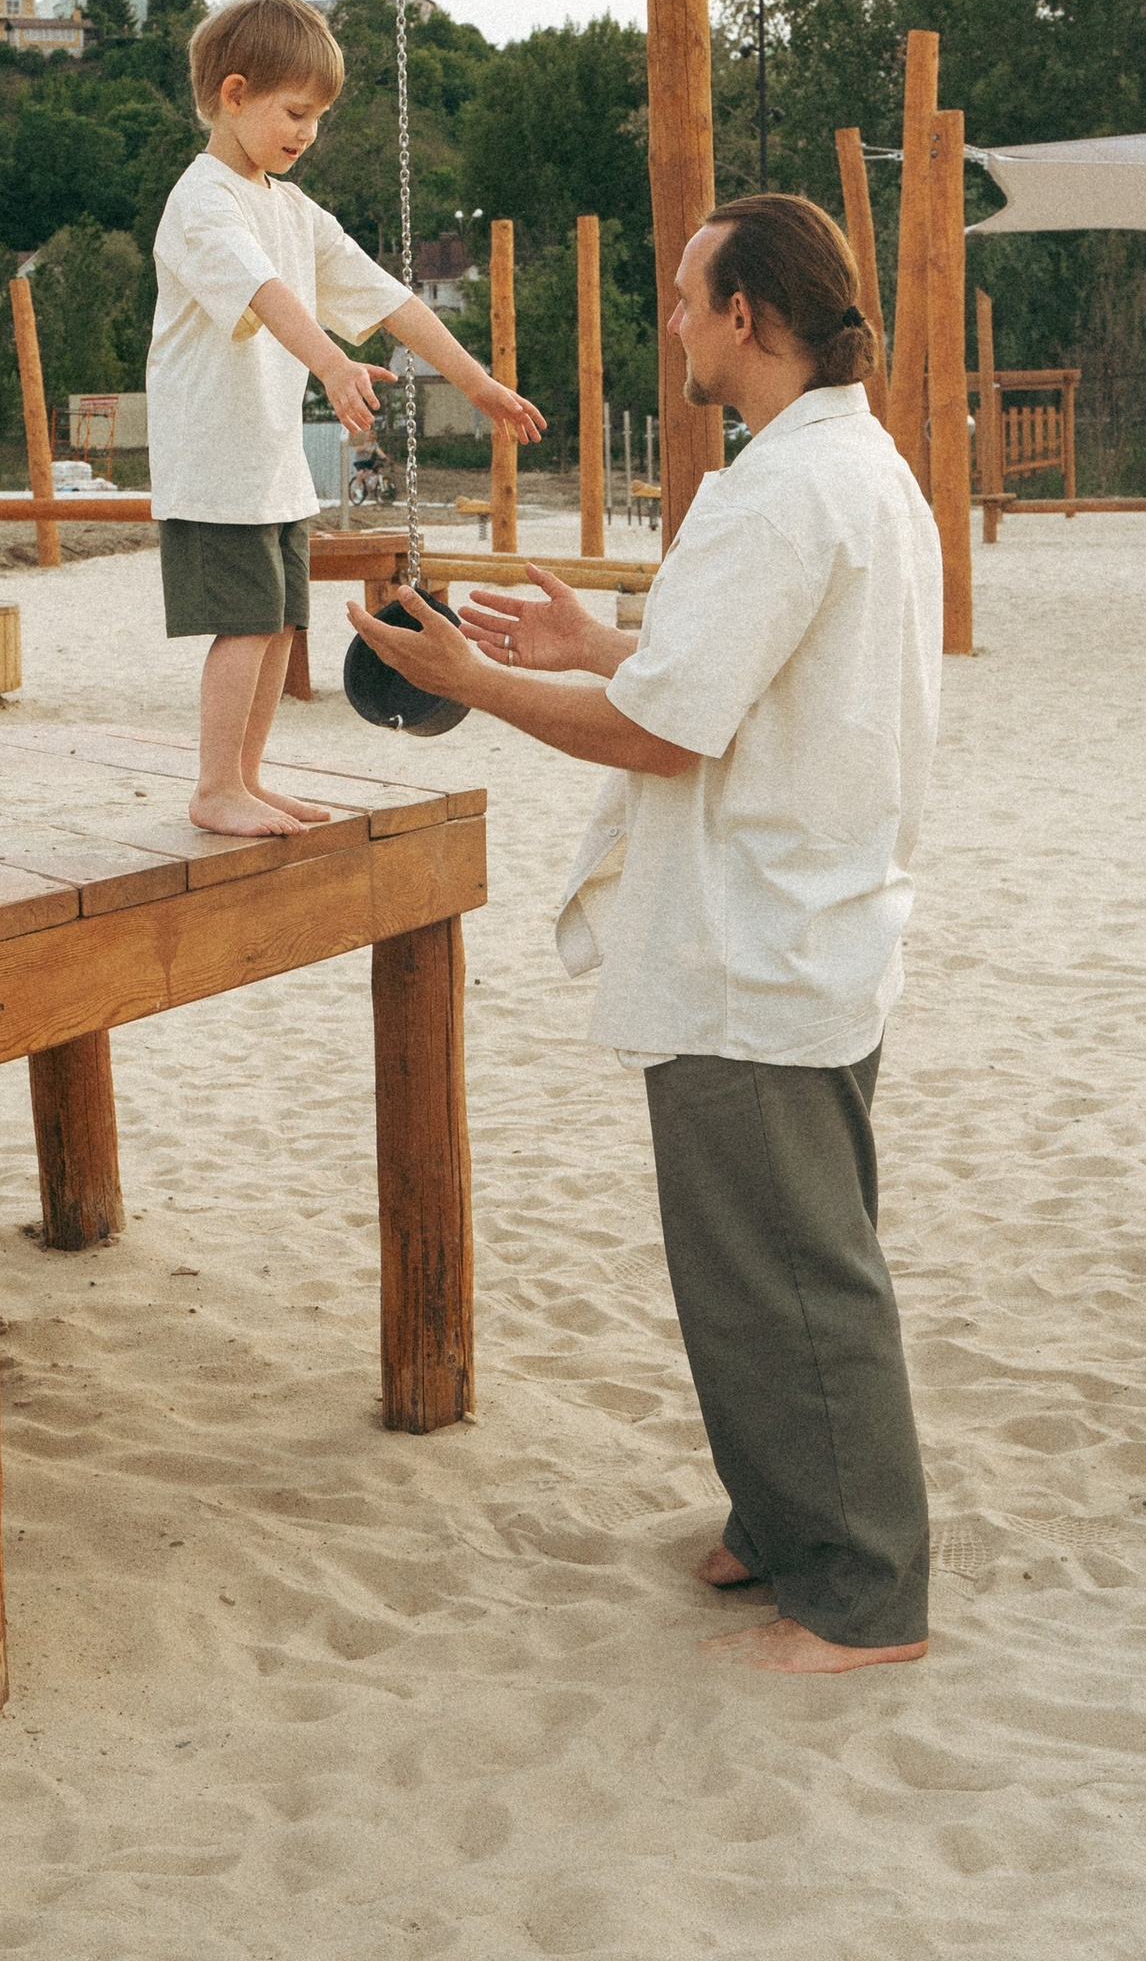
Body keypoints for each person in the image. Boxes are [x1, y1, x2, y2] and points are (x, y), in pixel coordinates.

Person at [347, 192, 942, 1677]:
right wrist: (596, 643)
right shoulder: (852, 467)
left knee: (793, 1277)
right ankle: (784, 1519)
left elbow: (666, 735)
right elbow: (736, 674)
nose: (671, 320)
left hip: (763, 937)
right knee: (748, 1270)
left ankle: (864, 1596)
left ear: (746, 315)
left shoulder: (782, 490)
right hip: (808, 915)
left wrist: (476, 685)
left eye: (686, 298)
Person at [150, 0, 543, 838]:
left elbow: (389, 297)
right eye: (296, 113)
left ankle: (246, 780)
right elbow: (268, 294)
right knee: (245, 626)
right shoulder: (204, 201)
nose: (309, 133)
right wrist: (330, 363)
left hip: (270, 466)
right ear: (234, 94)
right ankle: (215, 786)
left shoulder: (292, 209)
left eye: (319, 118)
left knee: (279, 627)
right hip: (213, 461)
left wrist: (475, 381)